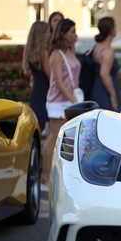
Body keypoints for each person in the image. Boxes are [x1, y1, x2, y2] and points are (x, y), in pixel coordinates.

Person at [42, 18, 80, 185]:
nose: (75, 35)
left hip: (69, 100)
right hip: (58, 101)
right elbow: (57, 80)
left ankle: (60, 173)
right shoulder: (56, 54)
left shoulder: (70, 51)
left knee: (66, 138)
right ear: (63, 34)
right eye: (72, 32)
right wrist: (73, 100)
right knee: (54, 136)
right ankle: (46, 174)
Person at [22, 20, 51, 131]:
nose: (50, 34)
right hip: (45, 91)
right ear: (42, 34)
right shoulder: (43, 53)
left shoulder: (31, 52)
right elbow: (50, 76)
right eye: (48, 32)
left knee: (38, 125)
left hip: (37, 90)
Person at [90, 17, 121, 112]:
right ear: (111, 29)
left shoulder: (97, 47)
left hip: (96, 88)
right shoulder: (108, 51)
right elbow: (104, 73)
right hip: (105, 91)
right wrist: (113, 94)